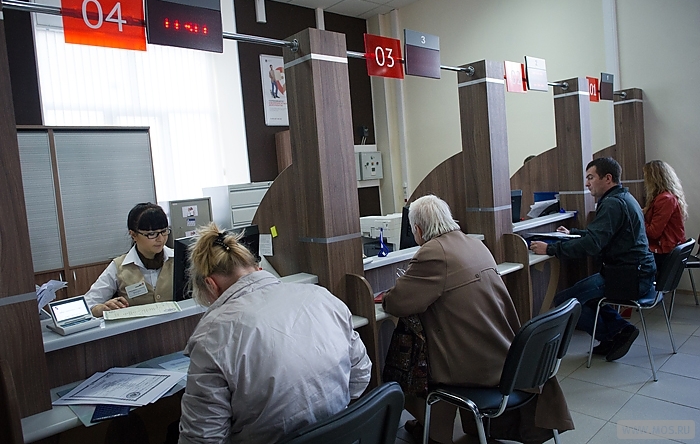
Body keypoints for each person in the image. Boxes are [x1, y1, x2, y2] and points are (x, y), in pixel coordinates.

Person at [383, 195, 573, 444]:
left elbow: (397, 303)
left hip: (478, 364)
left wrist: (389, 294)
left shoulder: (432, 252)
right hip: (506, 353)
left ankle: (433, 432)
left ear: (417, 230)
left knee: (412, 359)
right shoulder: (474, 244)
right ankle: (429, 427)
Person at [178, 223, 371, 444]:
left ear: (211, 285)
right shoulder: (322, 297)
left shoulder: (212, 335)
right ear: (258, 269)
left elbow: (203, 439)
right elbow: (361, 376)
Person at [531, 157, 656, 361]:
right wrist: (574, 233)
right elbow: (602, 235)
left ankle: (615, 334)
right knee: (586, 296)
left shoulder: (612, 204)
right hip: (635, 271)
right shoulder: (622, 197)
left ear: (608, 178)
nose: (587, 183)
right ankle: (618, 332)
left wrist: (551, 249)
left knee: (565, 301)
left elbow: (592, 245)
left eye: (591, 177)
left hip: (628, 277)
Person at [85, 203, 173, 318]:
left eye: (164, 231)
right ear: (133, 234)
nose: (160, 239)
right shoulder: (119, 266)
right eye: (152, 234)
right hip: (139, 328)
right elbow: (88, 303)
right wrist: (101, 308)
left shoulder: (178, 259)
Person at [643, 159, 687, 271]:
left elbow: (653, 232)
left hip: (664, 251)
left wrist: (638, 218)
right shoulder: (666, 197)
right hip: (668, 249)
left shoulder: (665, 199)